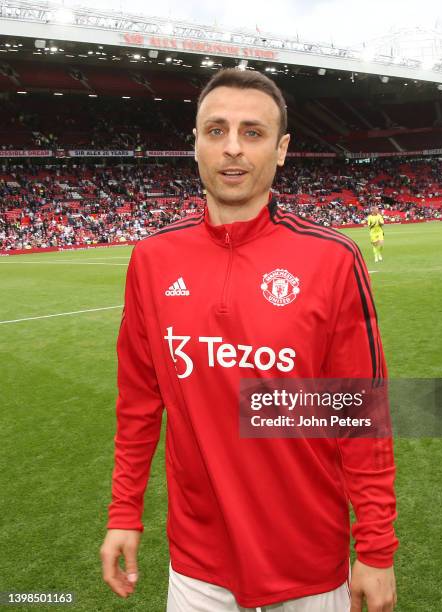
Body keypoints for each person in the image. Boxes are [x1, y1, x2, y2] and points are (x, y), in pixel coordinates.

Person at [100, 68, 398, 612]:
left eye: (252, 132)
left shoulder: (333, 260)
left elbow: (359, 415)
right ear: (194, 144)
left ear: (282, 150)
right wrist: (125, 510)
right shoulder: (151, 260)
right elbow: (139, 403)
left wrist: (376, 549)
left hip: (309, 566)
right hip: (197, 568)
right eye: (215, 130)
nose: (232, 148)